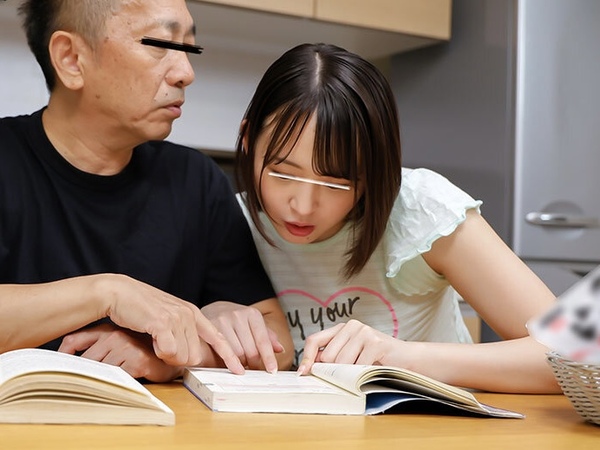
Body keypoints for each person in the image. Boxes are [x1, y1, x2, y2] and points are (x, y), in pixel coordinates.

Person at [234, 42, 561, 393]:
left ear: (374, 171)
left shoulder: (421, 209)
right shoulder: (229, 220)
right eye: (283, 173)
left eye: (335, 182)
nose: (302, 205)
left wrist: (403, 358)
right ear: (249, 139)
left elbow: (577, 351)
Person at [0, 0, 293, 382]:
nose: (185, 73)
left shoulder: (196, 180)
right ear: (71, 59)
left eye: (189, 48)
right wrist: (107, 293)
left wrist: (175, 357)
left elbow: (279, 345)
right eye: (160, 43)